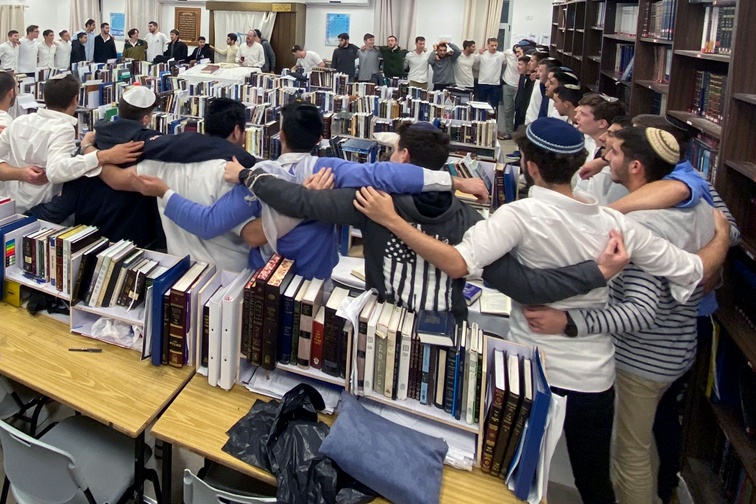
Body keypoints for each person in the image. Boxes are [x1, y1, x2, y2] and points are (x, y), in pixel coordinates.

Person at [352, 117, 730, 504]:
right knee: (594, 482)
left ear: (531, 166)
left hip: (529, 371)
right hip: (594, 376)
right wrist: (722, 237)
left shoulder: (517, 217)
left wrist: (392, 220)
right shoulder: (616, 223)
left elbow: (455, 263)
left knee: (514, 476)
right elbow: (695, 271)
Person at [241, 120, 622, 321]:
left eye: (392, 152)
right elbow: (523, 284)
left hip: (378, 320)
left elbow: (300, 201)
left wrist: (249, 174)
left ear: (404, 160)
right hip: (444, 329)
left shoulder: (374, 203)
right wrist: (596, 272)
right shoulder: (470, 219)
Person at [521, 127, 718, 504]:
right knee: (652, 439)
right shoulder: (700, 206)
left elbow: (641, 310)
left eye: (612, 153)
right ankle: (667, 489)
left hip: (641, 359)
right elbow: (724, 230)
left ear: (637, 167)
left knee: (629, 456)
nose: (604, 158)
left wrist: (572, 322)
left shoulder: (643, 225)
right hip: (679, 348)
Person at [130, 102, 488, 279]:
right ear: (321, 139)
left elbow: (208, 223)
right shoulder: (329, 169)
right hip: (316, 277)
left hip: (265, 277)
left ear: (279, 136)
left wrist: (165, 193)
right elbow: (385, 175)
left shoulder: (258, 176)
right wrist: (452, 180)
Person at [98, 97, 256, 272]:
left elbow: (116, 179)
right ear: (237, 131)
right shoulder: (237, 174)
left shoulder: (165, 160)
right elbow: (251, 235)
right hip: (229, 273)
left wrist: (92, 152)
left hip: (180, 268)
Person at [28, 86, 165, 248]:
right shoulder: (152, 146)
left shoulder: (92, 141)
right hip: (136, 243)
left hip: (88, 240)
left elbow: (64, 204)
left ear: (118, 110)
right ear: (146, 119)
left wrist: (24, 218)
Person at [0, 74, 142, 212]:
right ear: (76, 99)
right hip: (40, 205)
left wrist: (18, 172)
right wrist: (102, 156)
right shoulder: (62, 128)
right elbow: (56, 171)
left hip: (12, 201)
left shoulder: (20, 121)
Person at [475, 38, 505, 118]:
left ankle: (494, 124)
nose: (494, 47)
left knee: (494, 107)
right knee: (481, 106)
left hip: (495, 84)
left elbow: (505, 63)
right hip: (482, 83)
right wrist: (479, 52)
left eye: (496, 45)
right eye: (492, 45)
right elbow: (474, 63)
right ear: (488, 45)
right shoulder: (482, 54)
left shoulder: (501, 55)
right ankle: (480, 122)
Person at [513, 55, 534, 130]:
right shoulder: (522, 76)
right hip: (519, 109)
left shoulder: (532, 80)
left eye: (520, 65)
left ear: (528, 66)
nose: (518, 67)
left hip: (526, 111)